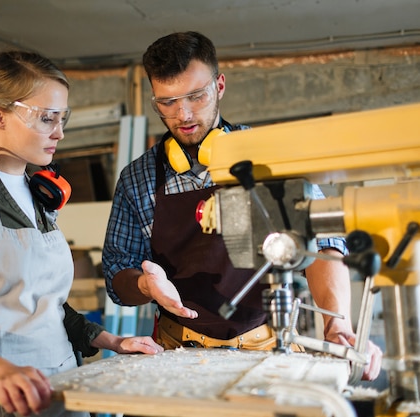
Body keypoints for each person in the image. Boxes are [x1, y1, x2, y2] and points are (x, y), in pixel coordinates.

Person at [101, 31, 382, 381]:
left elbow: (324, 241)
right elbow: (117, 275)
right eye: (167, 102)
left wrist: (337, 324)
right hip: (176, 353)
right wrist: (145, 285)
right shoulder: (137, 179)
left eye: (196, 96)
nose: (183, 114)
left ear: (219, 85)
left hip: (267, 348)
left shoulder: (269, 159)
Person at [0, 50, 163, 417]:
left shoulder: (41, 194)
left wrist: (113, 341)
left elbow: (45, 307)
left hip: (60, 391)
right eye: (46, 118)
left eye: (62, 118)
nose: (59, 132)